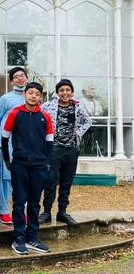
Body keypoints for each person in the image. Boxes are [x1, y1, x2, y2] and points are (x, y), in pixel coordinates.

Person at [2, 82, 54, 255]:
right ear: (25, 94)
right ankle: (19, 238)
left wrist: (47, 164)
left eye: (37, 94)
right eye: (30, 92)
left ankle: (32, 237)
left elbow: (50, 143)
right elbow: (4, 139)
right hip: (20, 165)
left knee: (34, 203)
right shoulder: (15, 113)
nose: (33, 96)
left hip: (39, 166)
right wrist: (8, 161)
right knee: (19, 202)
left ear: (40, 97)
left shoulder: (45, 116)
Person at [39, 79, 92, 226]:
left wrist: (78, 132)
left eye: (68, 90)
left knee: (66, 181)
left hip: (71, 149)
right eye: (62, 90)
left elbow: (88, 121)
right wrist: (46, 134)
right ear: (57, 93)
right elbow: (38, 119)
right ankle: (46, 212)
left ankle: (62, 211)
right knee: (50, 181)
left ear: (72, 92)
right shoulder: (48, 106)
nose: (65, 93)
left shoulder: (78, 106)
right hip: (54, 148)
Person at [0, 66, 28, 225]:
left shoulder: (32, 97)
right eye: (16, 77)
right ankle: (4, 211)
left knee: (24, 179)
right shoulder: (5, 99)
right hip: (8, 146)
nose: (20, 78)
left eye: (22, 75)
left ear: (26, 78)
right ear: (11, 81)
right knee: (6, 179)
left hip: (26, 146)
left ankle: (21, 211)